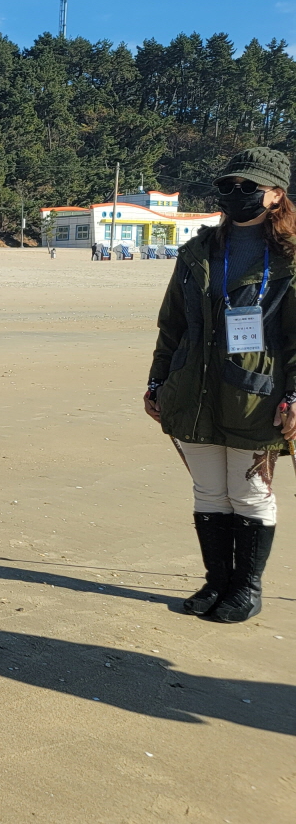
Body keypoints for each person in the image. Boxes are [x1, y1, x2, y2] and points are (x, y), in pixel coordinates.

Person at [145, 147, 291, 624]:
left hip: (257, 393)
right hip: (193, 389)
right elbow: (173, 324)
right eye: (228, 186)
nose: (236, 194)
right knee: (209, 491)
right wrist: (158, 379)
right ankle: (216, 581)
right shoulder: (198, 250)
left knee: (249, 492)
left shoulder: (290, 257)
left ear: (276, 194)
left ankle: (246, 588)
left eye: (248, 187)